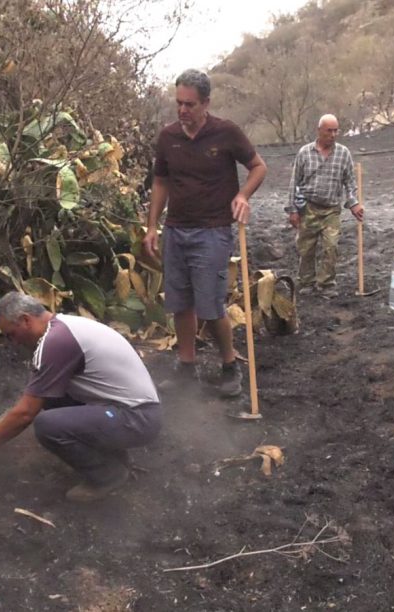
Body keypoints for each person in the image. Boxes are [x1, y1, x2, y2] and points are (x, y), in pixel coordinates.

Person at [0, 292, 162, 502]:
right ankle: (115, 457)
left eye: (11, 334)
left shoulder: (56, 342)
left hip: (137, 419)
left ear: (25, 320)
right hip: (127, 410)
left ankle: (108, 475)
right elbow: (34, 396)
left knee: (48, 425)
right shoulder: (62, 328)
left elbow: (26, 414)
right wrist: (3, 423)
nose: (12, 342)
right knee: (50, 397)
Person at [143, 69, 267, 397]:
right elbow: (160, 181)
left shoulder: (226, 132)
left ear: (206, 103)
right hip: (176, 230)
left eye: (190, 104)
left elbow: (258, 166)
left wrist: (243, 196)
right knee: (180, 304)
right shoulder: (168, 137)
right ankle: (187, 367)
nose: (182, 110)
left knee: (210, 306)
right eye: (179, 103)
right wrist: (152, 226)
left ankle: (230, 365)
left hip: (212, 231)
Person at [285, 114, 362, 299]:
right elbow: (294, 182)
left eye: (336, 131)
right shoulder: (305, 153)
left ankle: (326, 283)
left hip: (331, 210)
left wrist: (354, 203)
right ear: (319, 131)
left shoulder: (343, 153)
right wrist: (292, 209)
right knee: (306, 248)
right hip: (308, 207)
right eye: (329, 131)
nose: (333, 135)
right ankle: (307, 282)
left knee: (331, 247)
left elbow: (350, 182)